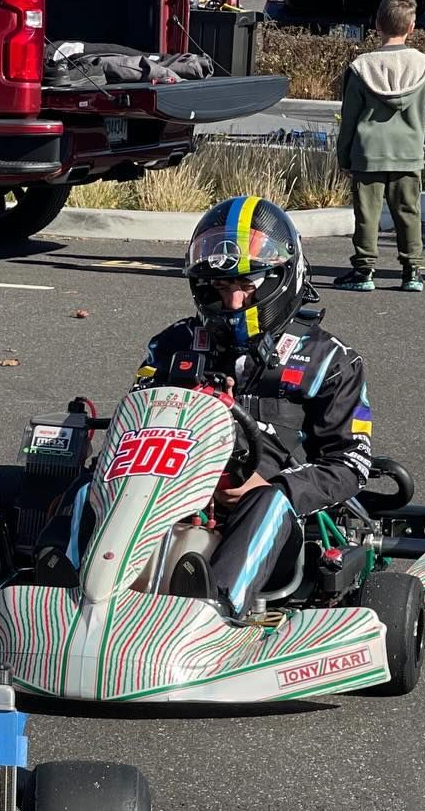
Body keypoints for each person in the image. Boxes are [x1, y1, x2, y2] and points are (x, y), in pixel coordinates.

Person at [130, 195, 374, 619]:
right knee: (86, 480)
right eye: (223, 289)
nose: (234, 303)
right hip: (170, 490)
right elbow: (133, 423)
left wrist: (273, 487)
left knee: (268, 504)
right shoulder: (173, 346)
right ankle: (62, 587)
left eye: (246, 286)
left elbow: (350, 462)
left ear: (280, 279)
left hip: (271, 507)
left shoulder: (330, 360)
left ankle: (215, 610)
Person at [335, 0, 425, 292]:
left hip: (368, 153)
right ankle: (412, 272)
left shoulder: (361, 68)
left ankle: (364, 271)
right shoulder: (423, 64)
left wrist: (344, 157)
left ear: (377, 25)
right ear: (411, 27)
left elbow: (350, 119)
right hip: (407, 152)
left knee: (367, 214)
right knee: (408, 211)